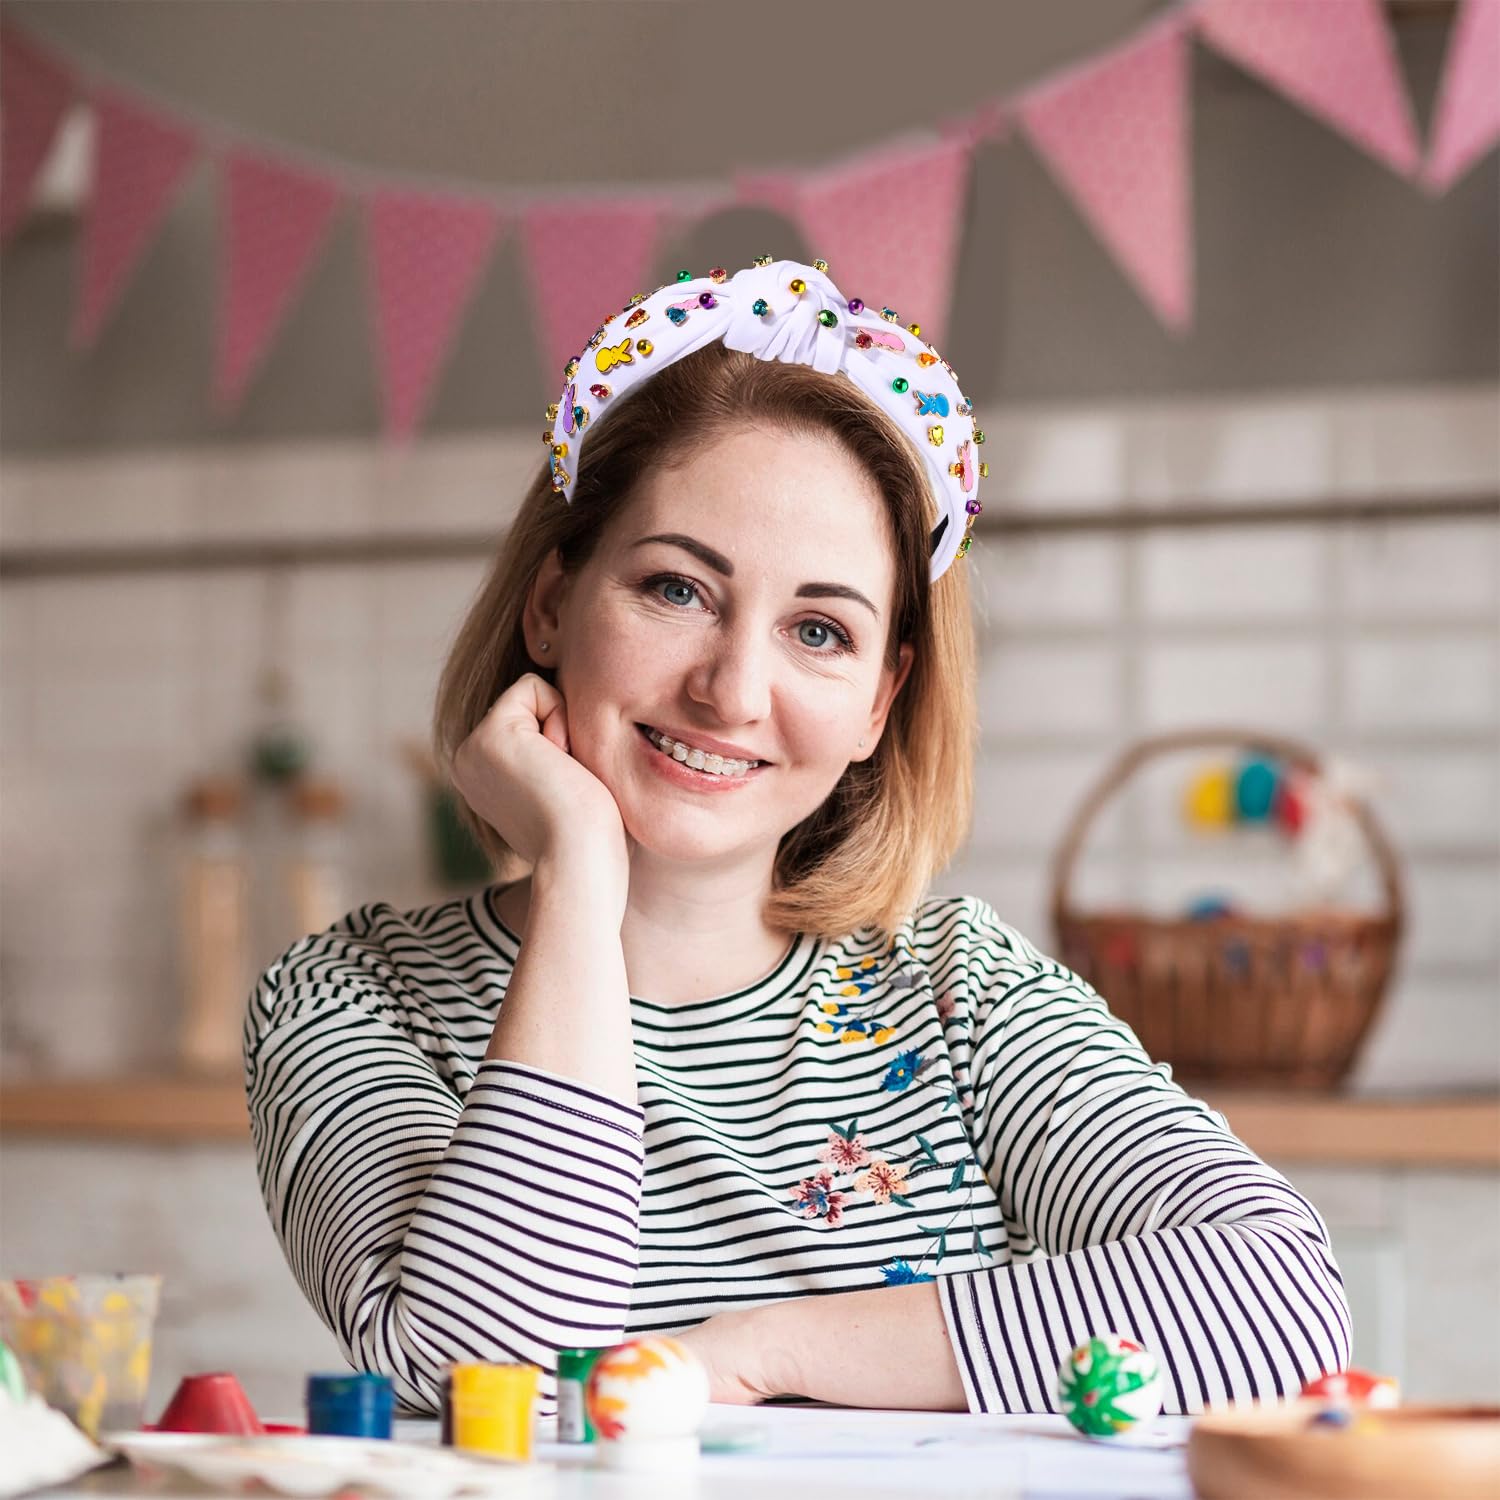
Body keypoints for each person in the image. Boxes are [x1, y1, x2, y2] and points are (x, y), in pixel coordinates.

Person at [244, 258, 1350, 1417]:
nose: (732, 691)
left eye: (820, 630)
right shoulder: (354, 996)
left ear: (881, 700)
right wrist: (578, 870)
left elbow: (1277, 1305)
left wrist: (752, 1356)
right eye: (677, 590)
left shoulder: (958, 992)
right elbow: (493, 1375)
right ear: (552, 604)